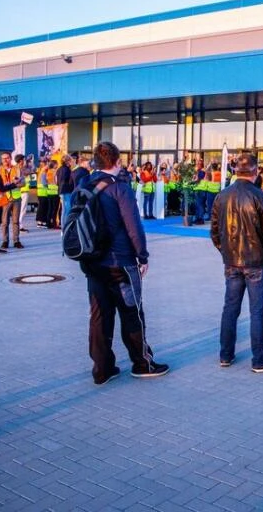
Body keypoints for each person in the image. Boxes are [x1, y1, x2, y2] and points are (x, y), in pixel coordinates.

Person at [80, 141, 169, 383]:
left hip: (92, 262)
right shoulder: (120, 188)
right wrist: (143, 255)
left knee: (99, 315)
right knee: (132, 312)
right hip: (121, 263)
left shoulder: (85, 184)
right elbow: (133, 226)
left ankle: (102, 368)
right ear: (118, 162)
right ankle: (142, 363)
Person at [210, 152, 263, 373]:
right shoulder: (260, 197)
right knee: (257, 311)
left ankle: (225, 354)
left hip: (232, 262)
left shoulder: (222, 196)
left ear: (235, 171)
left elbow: (215, 232)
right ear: (255, 171)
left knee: (230, 309)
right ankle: (259, 358)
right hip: (256, 262)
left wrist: (227, 252)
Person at [0, 152, 24, 249]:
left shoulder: (17, 169)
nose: (5, 160)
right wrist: (10, 185)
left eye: (7, 158)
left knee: (15, 221)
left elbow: (23, 183)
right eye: (3, 158)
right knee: (4, 222)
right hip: (5, 199)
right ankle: (5, 241)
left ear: (10, 159)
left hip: (16, 198)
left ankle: (16, 241)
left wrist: (14, 184)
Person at [16, 154, 35, 231]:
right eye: (23, 160)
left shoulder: (16, 168)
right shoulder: (22, 169)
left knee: (18, 209)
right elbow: (32, 170)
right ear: (20, 161)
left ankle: (18, 224)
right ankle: (19, 225)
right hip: (23, 191)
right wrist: (31, 162)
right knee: (22, 209)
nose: (24, 161)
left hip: (18, 191)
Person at [57, 154, 74, 228]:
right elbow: (66, 180)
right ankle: (65, 226)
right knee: (67, 209)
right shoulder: (66, 169)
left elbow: (58, 181)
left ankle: (64, 225)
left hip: (62, 190)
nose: (71, 162)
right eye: (70, 160)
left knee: (65, 209)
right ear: (67, 161)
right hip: (66, 191)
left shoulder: (60, 169)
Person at [45, 159, 60, 229]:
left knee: (49, 209)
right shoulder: (55, 172)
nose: (57, 165)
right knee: (55, 209)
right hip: (55, 192)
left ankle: (48, 223)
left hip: (49, 192)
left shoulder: (48, 171)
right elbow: (56, 181)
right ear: (54, 165)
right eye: (56, 164)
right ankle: (54, 224)